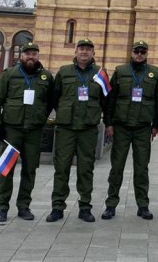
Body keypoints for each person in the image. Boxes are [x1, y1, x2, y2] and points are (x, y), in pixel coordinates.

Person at [0, 42, 54, 222]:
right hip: (12, 131)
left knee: (30, 170)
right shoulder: (9, 74)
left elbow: (50, 102)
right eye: (27, 54)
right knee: (6, 169)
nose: (30, 57)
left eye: (34, 53)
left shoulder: (46, 77)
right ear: (21, 56)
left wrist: (41, 117)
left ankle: (24, 206)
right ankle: (2, 207)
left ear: (38, 56)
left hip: (33, 132)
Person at [47, 38, 108, 223]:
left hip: (88, 129)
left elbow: (106, 100)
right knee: (61, 168)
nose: (84, 52)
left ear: (93, 53)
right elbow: (54, 97)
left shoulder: (100, 73)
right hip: (66, 128)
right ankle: (57, 207)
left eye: (88, 49)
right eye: (81, 48)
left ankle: (85, 207)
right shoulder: (64, 71)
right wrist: (65, 113)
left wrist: (108, 122)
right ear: (76, 51)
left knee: (86, 169)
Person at [100, 40, 158, 221]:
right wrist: (108, 123)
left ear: (147, 53)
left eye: (143, 52)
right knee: (117, 168)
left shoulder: (154, 73)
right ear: (132, 53)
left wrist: (157, 125)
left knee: (141, 168)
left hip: (143, 128)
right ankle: (111, 205)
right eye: (137, 51)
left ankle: (143, 206)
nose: (139, 54)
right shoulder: (121, 71)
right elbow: (110, 99)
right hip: (121, 127)